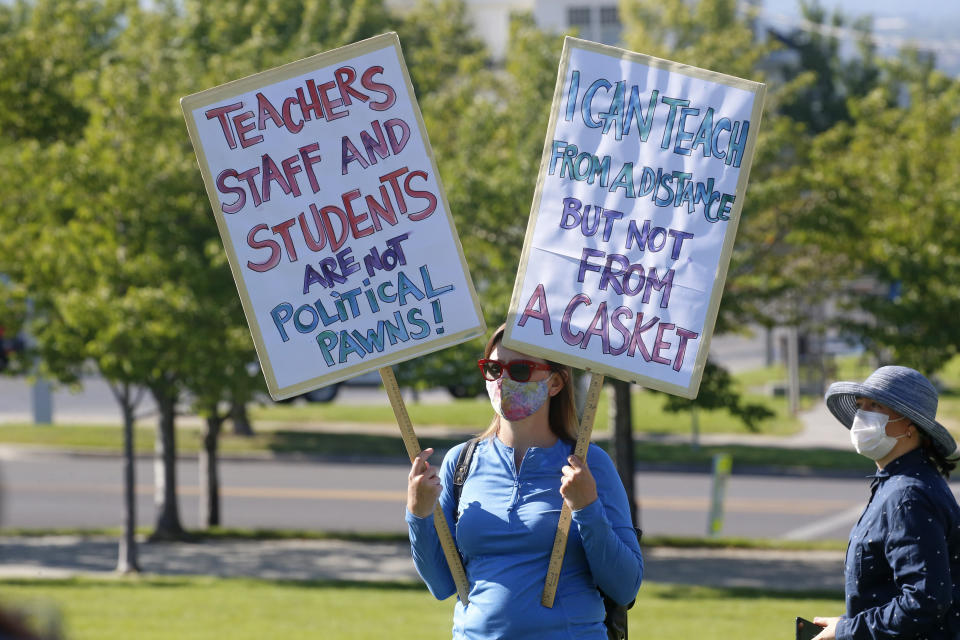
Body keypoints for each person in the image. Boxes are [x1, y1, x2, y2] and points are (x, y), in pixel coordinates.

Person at [406, 324, 643, 638]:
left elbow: (625, 587)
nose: (502, 380)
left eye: (519, 370)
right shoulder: (460, 462)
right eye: (493, 368)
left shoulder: (589, 463)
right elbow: (440, 584)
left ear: (556, 382)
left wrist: (588, 508)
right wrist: (419, 514)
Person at [812, 365, 960, 640]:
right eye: (861, 405)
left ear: (909, 426)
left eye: (875, 405)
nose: (862, 414)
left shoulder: (907, 495)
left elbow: (925, 600)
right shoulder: (900, 483)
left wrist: (847, 629)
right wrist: (844, 624)